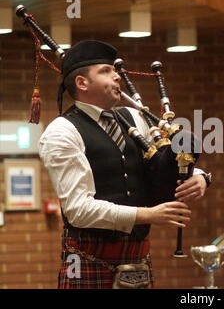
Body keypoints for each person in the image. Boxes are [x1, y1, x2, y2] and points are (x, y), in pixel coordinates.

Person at [38, 40, 212, 289]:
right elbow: (78, 209)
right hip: (88, 257)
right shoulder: (62, 131)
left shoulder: (134, 117)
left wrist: (200, 176)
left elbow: (162, 165)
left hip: (136, 258)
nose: (118, 76)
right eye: (106, 71)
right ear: (82, 83)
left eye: (115, 69)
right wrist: (148, 215)